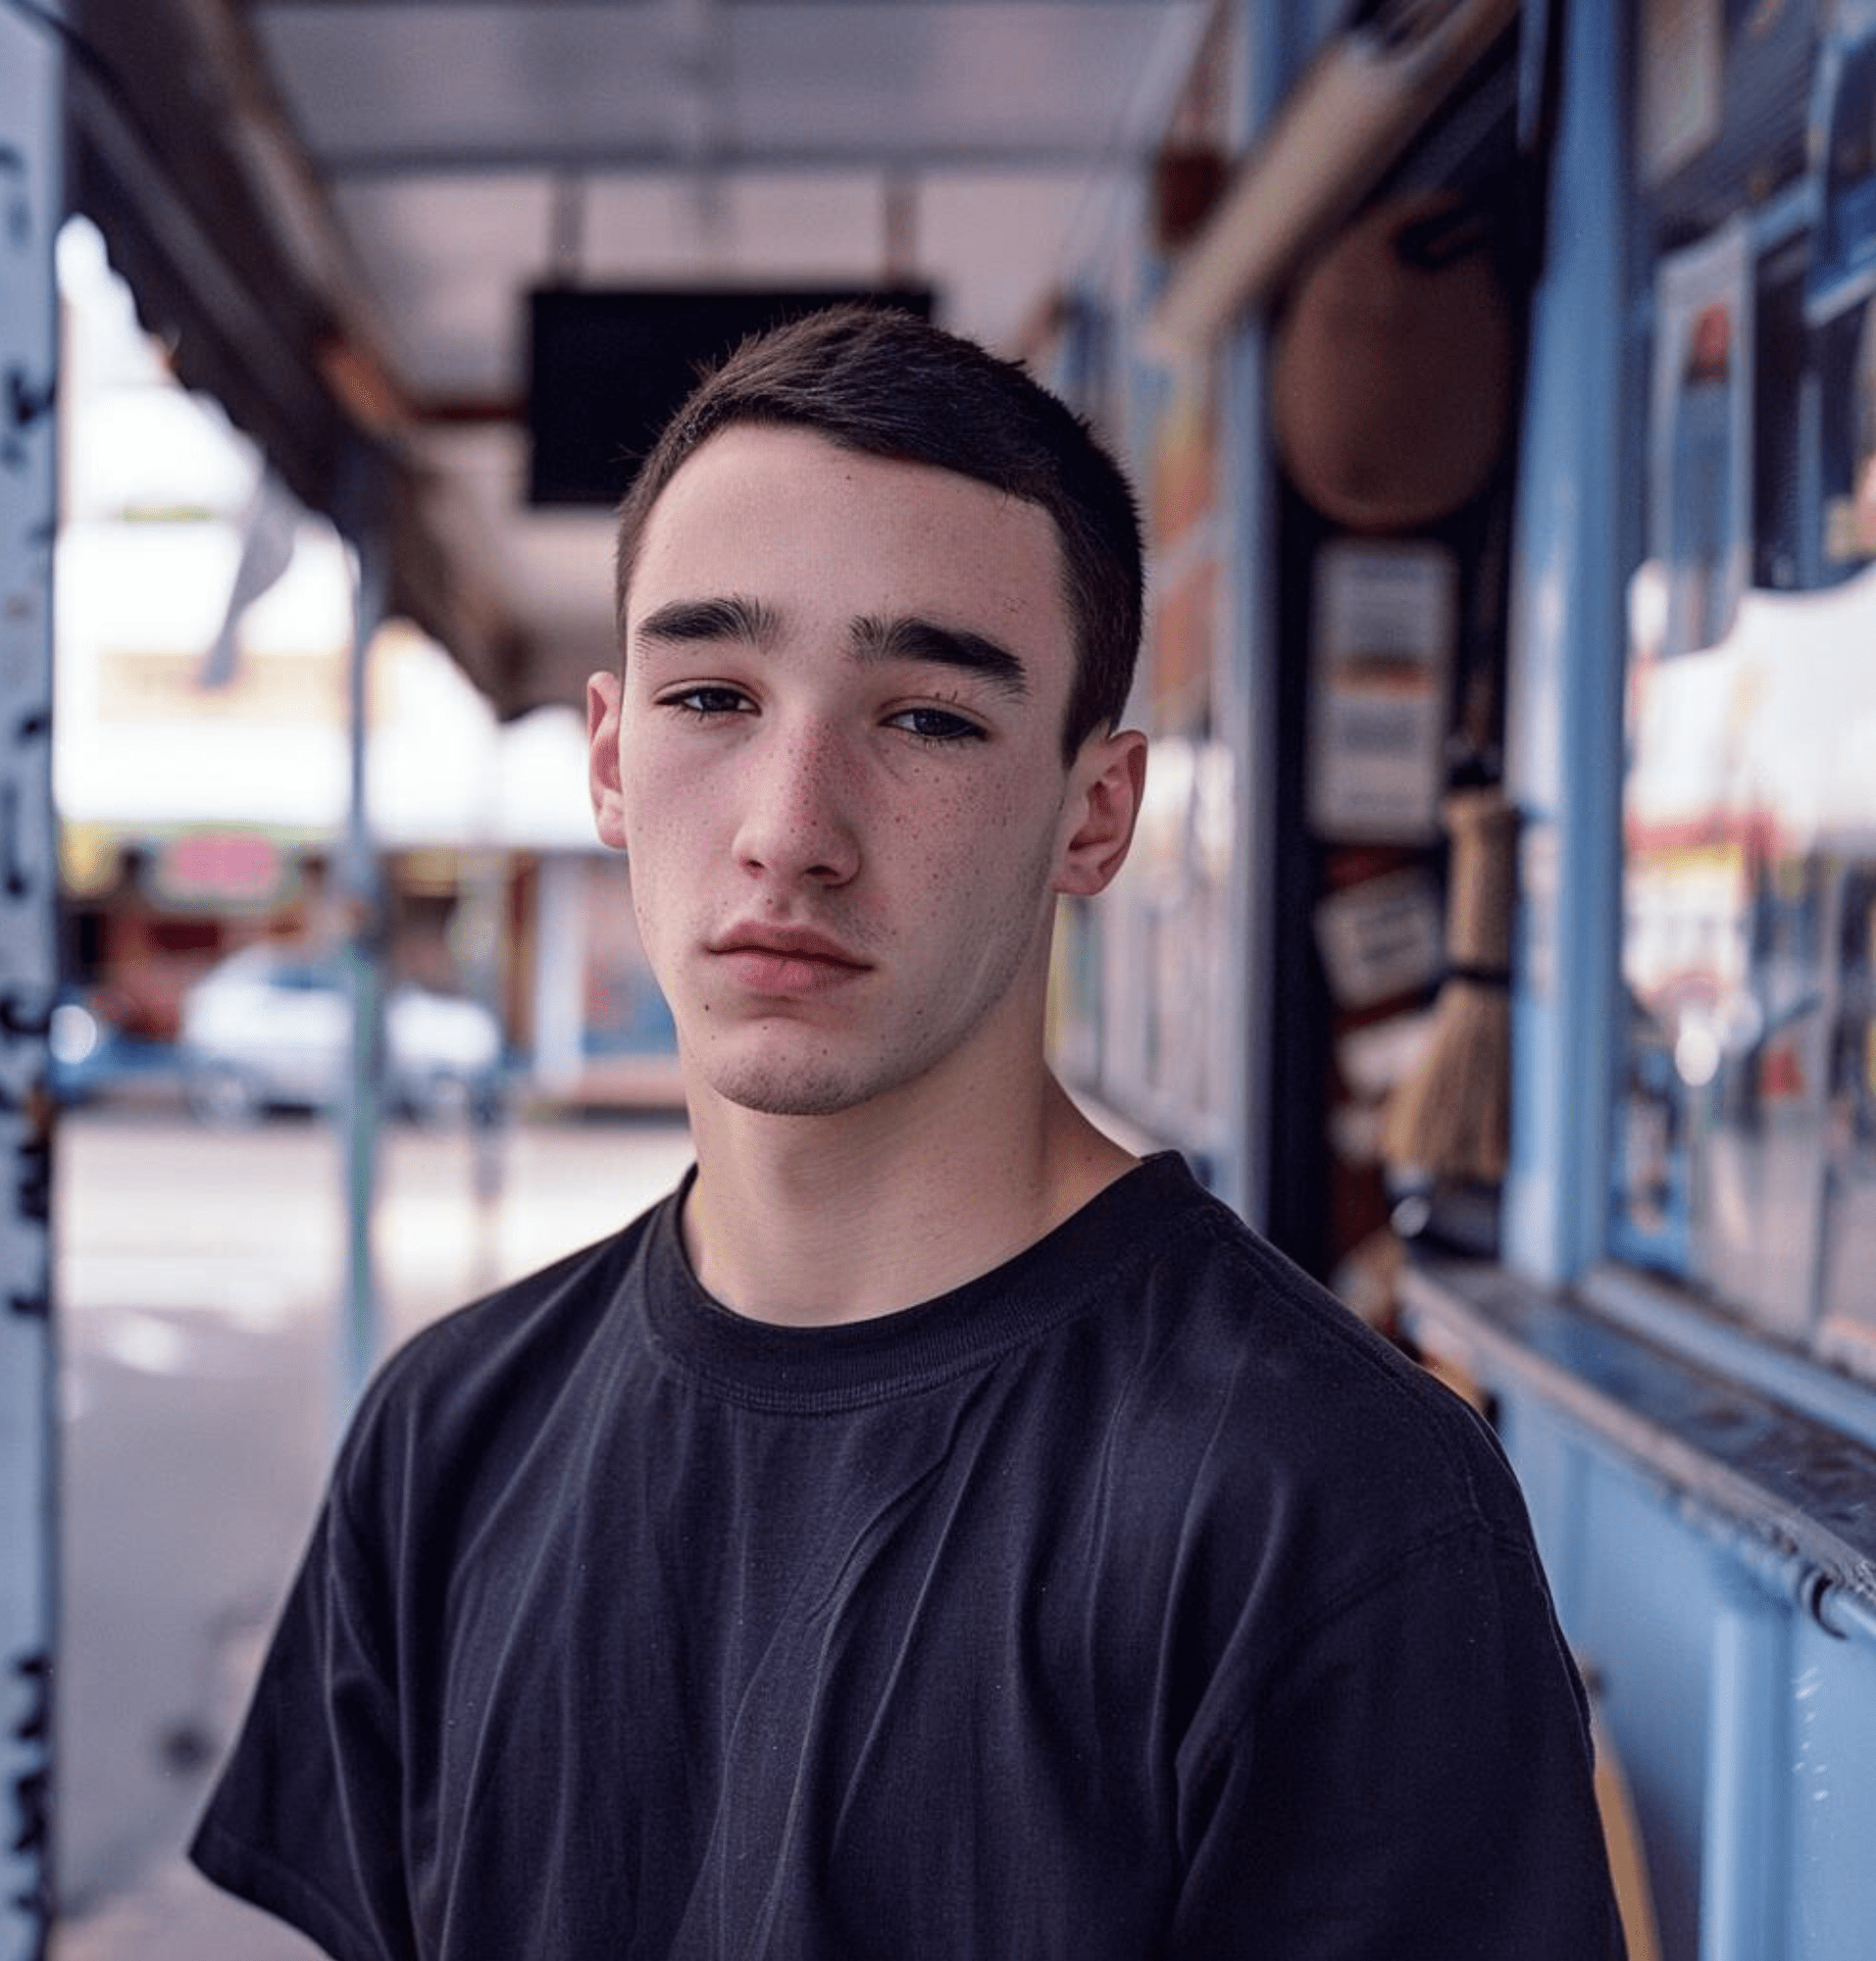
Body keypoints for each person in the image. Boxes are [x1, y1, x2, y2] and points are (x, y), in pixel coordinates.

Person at [189, 306, 1626, 1958]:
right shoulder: (447, 1436)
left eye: (930, 717)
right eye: (714, 695)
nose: (790, 832)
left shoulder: (1329, 1499)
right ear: (607, 757)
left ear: (1096, 813)